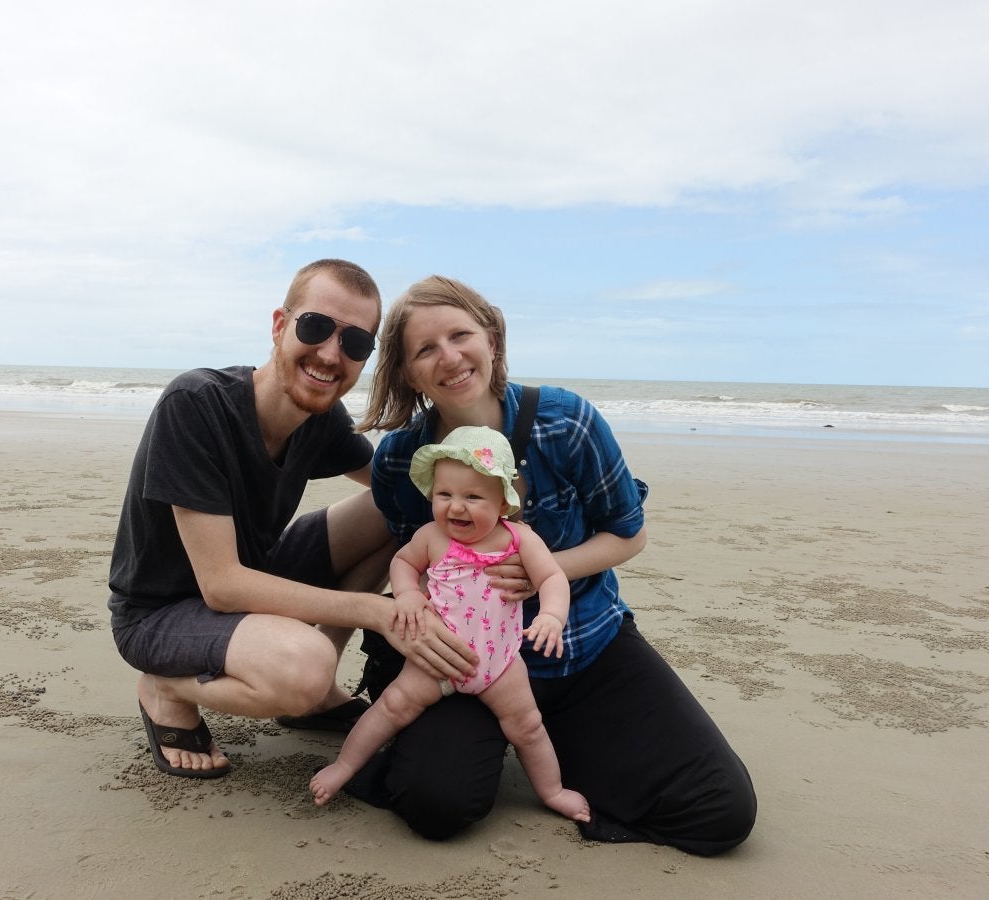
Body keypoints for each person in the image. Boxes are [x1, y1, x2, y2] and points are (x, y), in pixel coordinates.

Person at [350, 275, 757, 856]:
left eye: (460, 334)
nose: (450, 357)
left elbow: (628, 532)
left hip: (584, 643)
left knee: (720, 810)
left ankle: (552, 739)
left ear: (490, 336)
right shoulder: (399, 461)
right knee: (435, 802)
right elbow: (411, 563)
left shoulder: (565, 421)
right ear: (407, 372)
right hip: (465, 666)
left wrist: (547, 571)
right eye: (425, 349)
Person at [107, 260, 477, 779]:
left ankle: (318, 690)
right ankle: (164, 687)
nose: (330, 353)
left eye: (355, 344)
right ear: (281, 325)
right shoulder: (196, 405)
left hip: (260, 571)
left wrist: (506, 530)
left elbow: (403, 487)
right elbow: (223, 587)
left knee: (398, 505)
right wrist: (377, 611)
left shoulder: (321, 417)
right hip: (161, 614)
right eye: (315, 326)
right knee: (303, 669)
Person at [311, 426, 590, 824]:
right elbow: (403, 563)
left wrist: (551, 615)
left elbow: (552, 578)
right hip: (435, 658)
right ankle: (345, 766)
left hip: (500, 664)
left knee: (527, 727)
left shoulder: (519, 539)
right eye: (445, 495)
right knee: (392, 706)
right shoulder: (430, 537)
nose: (455, 507)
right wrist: (407, 593)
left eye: (473, 497)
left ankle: (552, 791)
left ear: (503, 503)